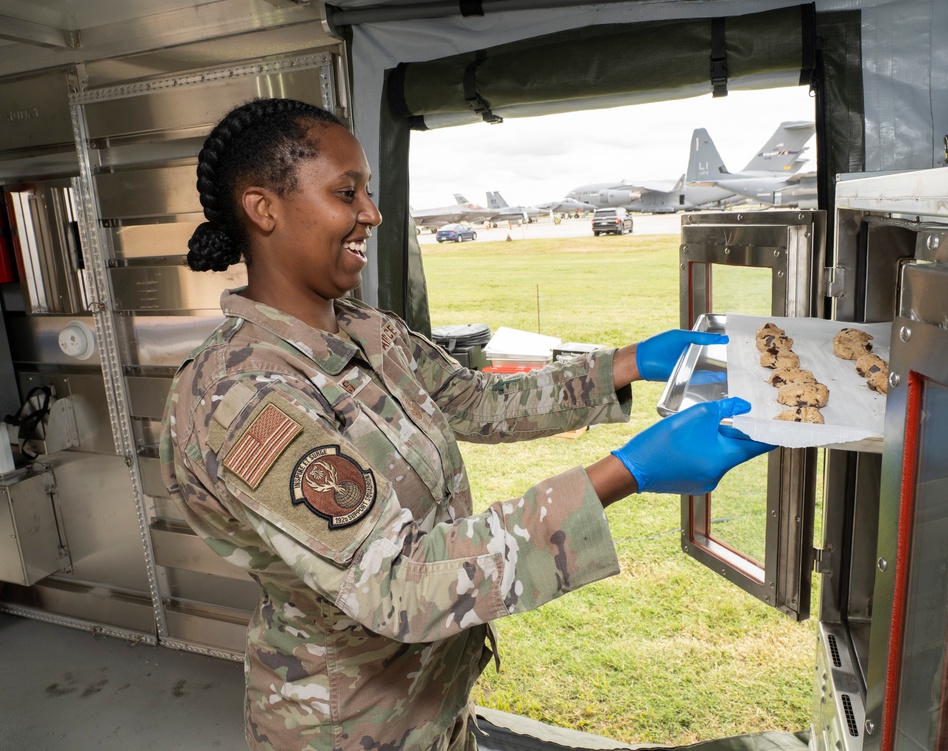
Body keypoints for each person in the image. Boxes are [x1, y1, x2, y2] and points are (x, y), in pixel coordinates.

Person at [160, 97, 772, 751]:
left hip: (433, 707)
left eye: (368, 189)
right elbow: (396, 579)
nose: (372, 212)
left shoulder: (366, 329)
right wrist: (626, 473)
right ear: (264, 208)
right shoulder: (240, 396)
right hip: (348, 728)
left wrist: (630, 363)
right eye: (348, 191)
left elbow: (477, 402)